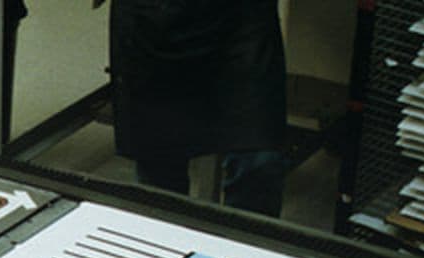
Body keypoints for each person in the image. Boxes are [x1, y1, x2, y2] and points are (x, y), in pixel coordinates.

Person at [97, 0, 288, 217]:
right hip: (154, 22)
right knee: (161, 183)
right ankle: (167, 245)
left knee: (259, 165)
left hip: (243, 19)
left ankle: (247, 248)